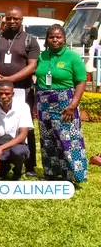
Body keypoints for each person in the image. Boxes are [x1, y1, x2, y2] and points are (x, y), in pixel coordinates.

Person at [0, 7, 40, 177]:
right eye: (9, 18)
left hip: (23, 89)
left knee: (26, 127)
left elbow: (32, 66)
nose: (12, 21)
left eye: (16, 19)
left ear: (22, 20)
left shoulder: (30, 40)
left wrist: (10, 79)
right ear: (5, 19)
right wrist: (0, 80)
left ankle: (29, 165)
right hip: (0, 88)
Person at [34, 24, 88, 183]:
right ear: (47, 39)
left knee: (69, 139)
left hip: (65, 102)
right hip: (43, 102)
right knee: (48, 138)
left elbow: (81, 82)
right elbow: (38, 80)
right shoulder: (42, 56)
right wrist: (35, 104)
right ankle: (51, 173)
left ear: (64, 39)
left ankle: (71, 175)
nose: (55, 40)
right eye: (51, 37)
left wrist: (73, 105)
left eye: (58, 37)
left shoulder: (73, 57)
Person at [0, 81, 32, 180]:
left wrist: (0, 149)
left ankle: (17, 172)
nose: (3, 96)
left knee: (18, 152)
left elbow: (23, 135)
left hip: (18, 145)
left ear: (13, 94)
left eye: (7, 94)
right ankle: (4, 169)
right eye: (0, 93)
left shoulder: (23, 107)